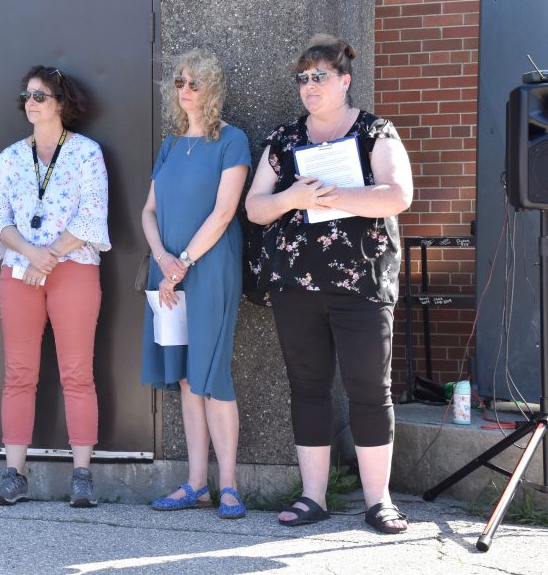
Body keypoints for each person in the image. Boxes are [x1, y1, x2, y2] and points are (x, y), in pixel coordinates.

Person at [245, 35, 413, 534]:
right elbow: (255, 208)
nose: (309, 86)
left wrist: (337, 194)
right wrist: (294, 196)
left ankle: (378, 501)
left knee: (368, 389)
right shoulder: (282, 140)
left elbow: (398, 195)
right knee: (308, 389)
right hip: (296, 286)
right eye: (302, 78)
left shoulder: (374, 131)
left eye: (319, 76)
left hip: (361, 282)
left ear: (345, 80)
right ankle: (312, 497)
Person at [0, 65, 110, 509]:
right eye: (27, 96)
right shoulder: (10, 158)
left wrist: (49, 255)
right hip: (20, 272)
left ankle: (82, 476)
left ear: (61, 102)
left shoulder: (87, 154)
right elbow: (0, 221)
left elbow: (92, 218)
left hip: (72, 267)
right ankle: (13, 474)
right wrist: (33, 256)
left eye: (40, 96)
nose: (31, 103)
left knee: (77, 373)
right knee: (18, 373)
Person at [140, 49, 251, 519]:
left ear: (213, 89)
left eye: (195, 82)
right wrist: (164, 259)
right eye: (180, 82)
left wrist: (182, 261)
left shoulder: (232, 141)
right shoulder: (168, 145)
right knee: (186, 377)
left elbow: (225, 212)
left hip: (209, 268)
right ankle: (195, 484)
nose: (185, 90)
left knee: (212, 374)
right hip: (166, 273)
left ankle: (229, 487)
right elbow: (148, 211)